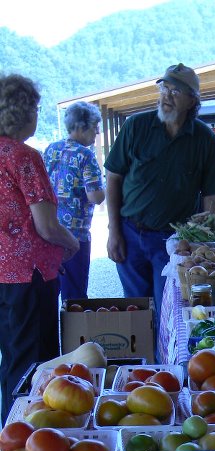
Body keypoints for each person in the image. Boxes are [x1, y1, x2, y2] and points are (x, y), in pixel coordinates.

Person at [104, 62, 215, 331]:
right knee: (136, 309)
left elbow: (212, 195)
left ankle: (168, 368)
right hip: (131, 233)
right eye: (164, 88)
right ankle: (142, 367)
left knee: (170, 308)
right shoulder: (136, 126)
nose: (167, 96)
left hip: (173, 242)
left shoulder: (204, 139)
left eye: (176, 91)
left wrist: (213, 241)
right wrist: (114, 231)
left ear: (192, 100)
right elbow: (113, 177)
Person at [0, 74, 79, 424]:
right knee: (36, 363)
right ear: (25, 112)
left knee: (13, 358)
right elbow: (46, 226)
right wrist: (72, 242)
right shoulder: (23, 156)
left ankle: (14, 431)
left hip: (4, 278)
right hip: (29, 276)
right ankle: (26, 437)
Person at [44, 102, 105, 301]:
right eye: (94, 127)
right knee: (74, 297)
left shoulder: (51, 149)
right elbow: (95, 196)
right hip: (75, 237)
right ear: (80, 126)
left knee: (51, 292)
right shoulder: (85, 155)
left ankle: (52, 332)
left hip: (49, 231)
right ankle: (74, 332)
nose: (96, 133)